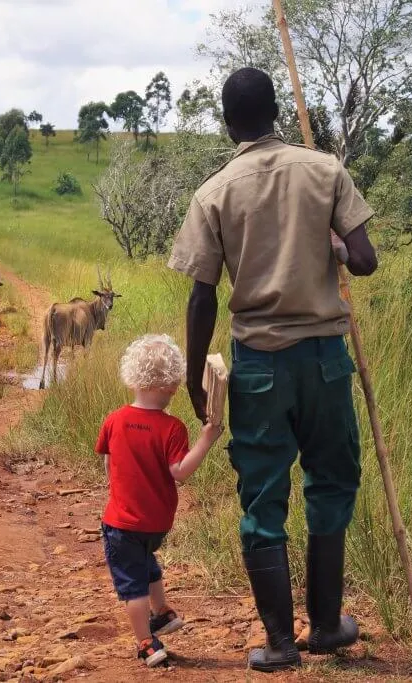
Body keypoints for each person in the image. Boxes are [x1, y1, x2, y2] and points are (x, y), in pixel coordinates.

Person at [167, 67, 379, 673]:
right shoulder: (326, 170)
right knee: (331, 482)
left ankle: (282, 644)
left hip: (258, 363)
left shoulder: (215, 192)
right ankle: (328, 628)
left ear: (229, 122)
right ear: (278, 112)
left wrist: (191, 373)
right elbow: (364, 260)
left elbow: (203, 294)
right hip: (325, 360)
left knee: (263, 495)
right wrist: (335, 247)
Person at [96, 334, 224, 667]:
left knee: (132, 585)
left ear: (132, 378)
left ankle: (145, 643)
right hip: (156, 524)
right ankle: (162, 613)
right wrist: (206, 439)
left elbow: (109, 464)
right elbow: (179, 472)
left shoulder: (113, 420)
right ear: (172, 386)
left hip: (122, 523)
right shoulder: (172, 428)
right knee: (147, 564)